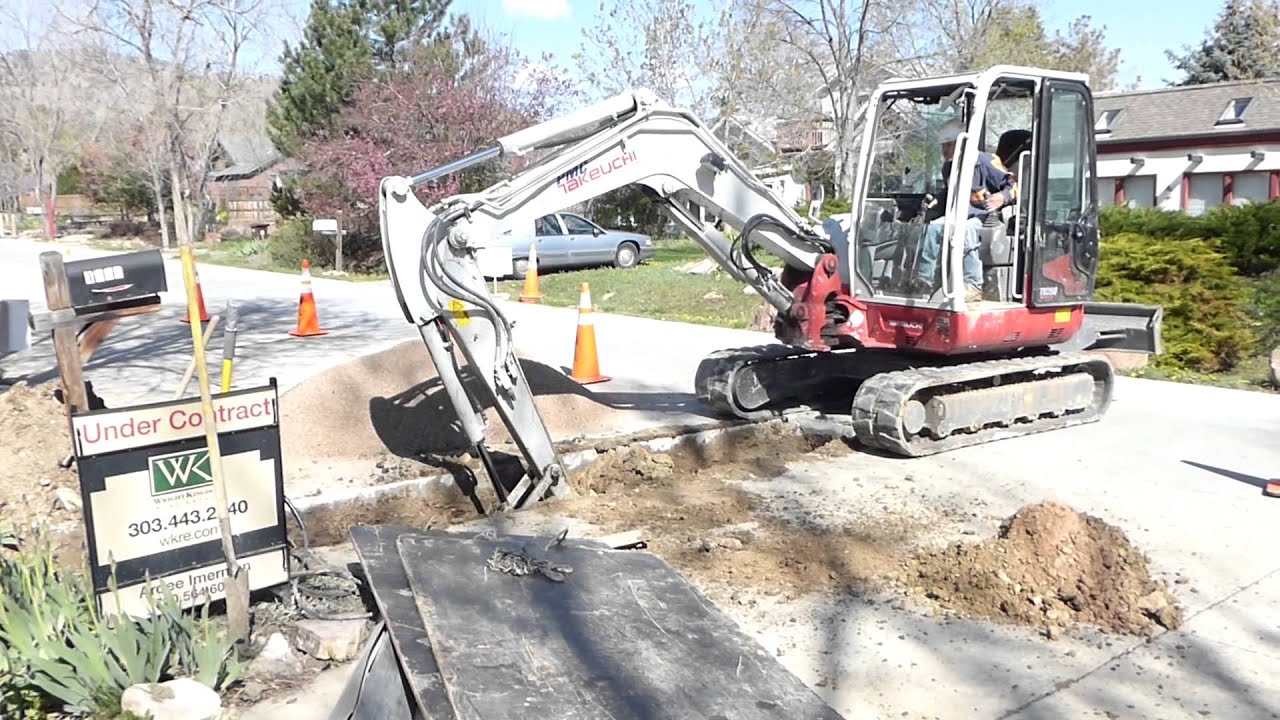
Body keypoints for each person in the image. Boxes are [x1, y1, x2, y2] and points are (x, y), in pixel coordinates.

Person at [911, 119, 1018, 303]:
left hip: (983, 216)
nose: (944, 150)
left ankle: (973, 285)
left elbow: (1013, 184)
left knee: (965, 230)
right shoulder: (948, 167)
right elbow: (950, 189)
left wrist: (1002, 197)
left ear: (963, 143)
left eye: (949, 145)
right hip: (958, 215)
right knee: (933, 228)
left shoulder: (984, 161)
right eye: (943, 145)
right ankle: (924, 280)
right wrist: (939, 199)